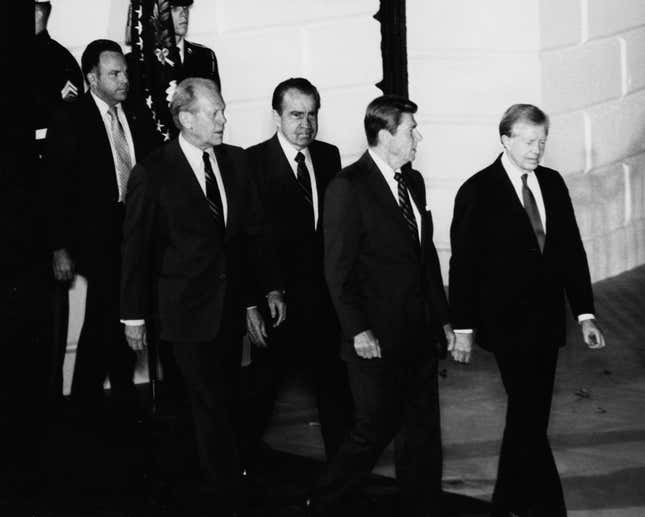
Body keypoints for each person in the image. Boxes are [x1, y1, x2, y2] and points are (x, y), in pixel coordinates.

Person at [120, 77, 285, 516]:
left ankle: (192, 483)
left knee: (220, 400)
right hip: (180, 314)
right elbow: (136, 248)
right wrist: (132, 315)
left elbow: (250, 236)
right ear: (186, 118)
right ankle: (227, 494)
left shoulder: (235, 163)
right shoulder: (154, 171)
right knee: (207, 403)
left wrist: (261, 293)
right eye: (215, 113)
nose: (223, 120)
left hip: (227, 312)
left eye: (223, 111)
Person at [448, 104, 607, 517]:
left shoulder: (552, 183)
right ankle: (550, 507)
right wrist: (462, 325)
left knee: (529, 414)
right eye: (529, 141)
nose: (538, 150)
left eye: (543, 141)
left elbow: (571, 249)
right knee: (528, 411)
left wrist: (585, 314)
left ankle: (508, 500)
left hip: (548, 322)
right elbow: (463, 264)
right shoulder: (477, 190)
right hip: (504, 324)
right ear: (505, 139)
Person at [311, 95, 454, 516]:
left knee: (423, 430)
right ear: (385, 134)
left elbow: (424, 256)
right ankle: (324, 502)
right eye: (411, 130)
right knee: (374, 429)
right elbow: (337, 269)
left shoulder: (413, 181)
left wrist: (443, 319)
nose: (418, 137)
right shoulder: (347, 187)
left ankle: (422, 506)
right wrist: (357, 329)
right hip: (374, 335)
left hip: (418, 330)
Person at [44, 39, 160, 419]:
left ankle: (97, 403)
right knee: (113, 310)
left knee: (114, 316)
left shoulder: (138, 113)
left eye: (125, 71)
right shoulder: (70, 117)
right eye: (114, 73)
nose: (124, 79)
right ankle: (97, 402)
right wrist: (59, 247)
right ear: (91, 78)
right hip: (97, 235)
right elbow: (55, 186)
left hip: (136, 231)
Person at [244, 78, 353, 472]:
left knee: (335, 389)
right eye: (295, 115)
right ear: (276, 117)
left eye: (312, 115)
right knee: (264, 387)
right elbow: (247, 240)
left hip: (325, 301)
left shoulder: (328, 156)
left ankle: (342, 480)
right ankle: (240, 467)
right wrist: (255, 300)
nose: (305, 124)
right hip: (280, 302)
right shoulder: (252, 163)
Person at [34, 0, 85, 406]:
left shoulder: (61, 60)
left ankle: (50, 398)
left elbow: (69, 140)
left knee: (51, 310)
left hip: (49, 198)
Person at [169, 0, 221, 91]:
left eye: (185, 8)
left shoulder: (204, 56)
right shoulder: (148, 58)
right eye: (175, 9)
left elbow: (213, 102)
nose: (184, 14)